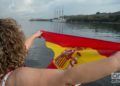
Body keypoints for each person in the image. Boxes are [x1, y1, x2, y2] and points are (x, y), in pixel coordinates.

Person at [0, 18, 120, 86]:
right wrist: (116, 61)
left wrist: (35, 36)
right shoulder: (19, 76)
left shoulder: (5, 71)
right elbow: (67, 77)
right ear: (14, 47)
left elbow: (23, 49)